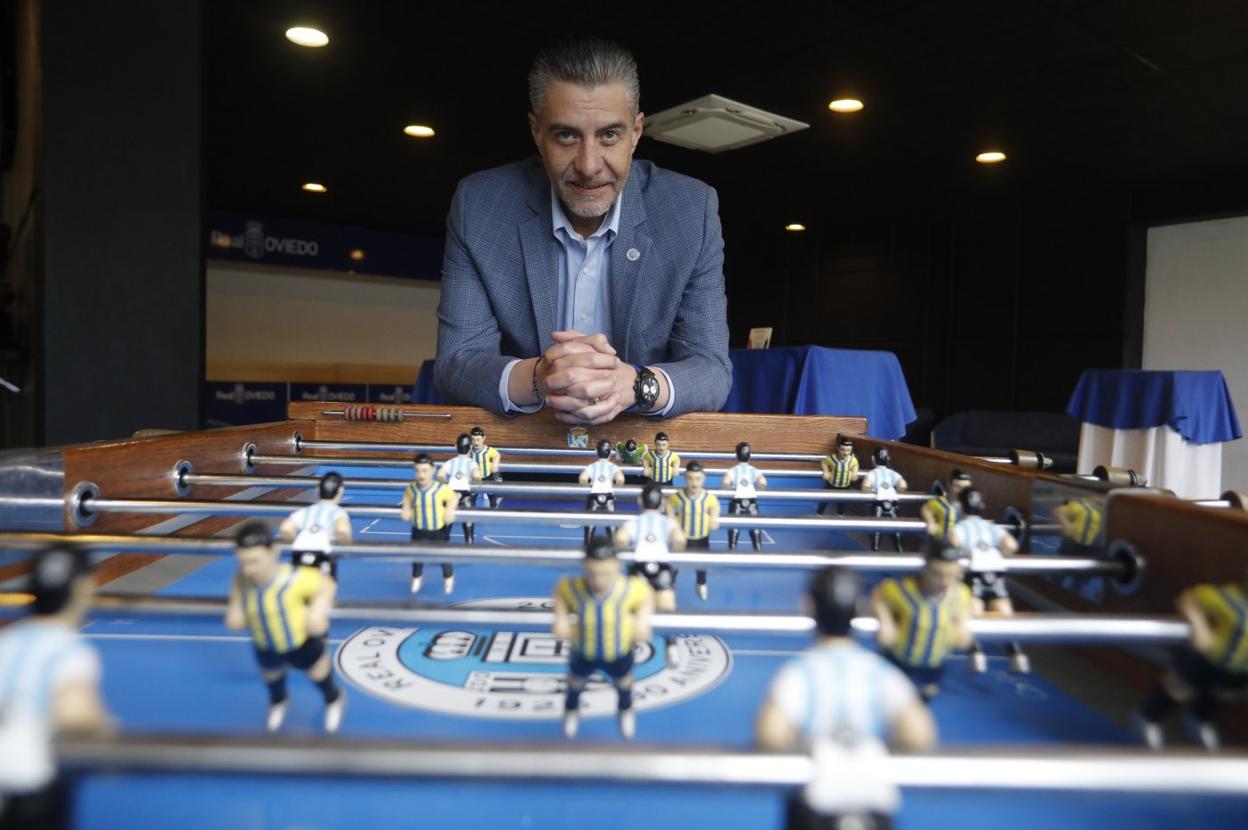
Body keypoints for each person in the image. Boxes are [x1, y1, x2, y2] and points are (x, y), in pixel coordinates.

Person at [433, 37, 731, 425]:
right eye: (567, 136)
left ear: (636, 132)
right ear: (537, 132)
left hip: (640, 456)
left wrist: (638, 385)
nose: (589, 166)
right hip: (518, 451)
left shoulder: (692, 211)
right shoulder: (480, 207)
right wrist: (540, 378)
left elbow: (711, 368)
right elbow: (457, 363)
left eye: (609, 135)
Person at [757, 568, 936, 830]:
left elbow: (770, 734)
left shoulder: (801, 672)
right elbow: (919, 734)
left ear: (809, 606)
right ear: (858, 611)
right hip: (873, 804)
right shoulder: (880, 672)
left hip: (815, 804)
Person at [0, 545, 112, 830]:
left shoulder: (7, 641)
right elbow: (77, 717)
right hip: (31, 783)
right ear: (83, 587)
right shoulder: (69, 652)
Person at [225, 522, 345, 733]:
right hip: (265, 642)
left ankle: (333, 698)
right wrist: (236, 608)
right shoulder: (242, 579)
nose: (249, 569)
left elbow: (326, 584)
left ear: (273, 553)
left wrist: (317, 610)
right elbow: (237, 595)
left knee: (318, 673)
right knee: (271, 675)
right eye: (243, 562)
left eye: (255, 561)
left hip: (300, 640)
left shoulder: (295, 578)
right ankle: (278, 701)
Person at [553, 538, 654, 740]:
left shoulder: (630, 588)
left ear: (617, 566)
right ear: (584, 567)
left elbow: (647, 596)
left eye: (605, 574)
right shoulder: (572, 587)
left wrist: (643, 621)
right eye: (593, 574)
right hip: (584, 650)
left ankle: (625, 710)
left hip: (618, 650)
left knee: (624, 684)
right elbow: (560, 593)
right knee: (574, 683)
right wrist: (561, 618)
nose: (599, 581)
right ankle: (571, 711)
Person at [1136, 572, 1248, 751]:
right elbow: (1188, 599)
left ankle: (1199, 718)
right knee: (1180, 687)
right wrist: (1200, 626)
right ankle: (1148, 718)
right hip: (1208, 658)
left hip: (1239, 669)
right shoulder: (1229, 599)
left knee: (1223, 695)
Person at [871, 541, 973, 701]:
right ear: (925, 568)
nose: (944, 581)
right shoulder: (902, 590)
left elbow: (969, 604)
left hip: (933, 667)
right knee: (890, 706)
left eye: (951, 575)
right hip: (899, 663)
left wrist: (962, 623)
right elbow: (879, 594)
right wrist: (885, 621)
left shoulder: (959, 594)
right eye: (937, 573)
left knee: (921, 703)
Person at [948, 488, 1027, 674]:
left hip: (973, 578)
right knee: (1005, 617)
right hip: (994, 577)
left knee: (971, 617)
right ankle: (1016, 655)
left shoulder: (960, 528)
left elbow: (951, 545)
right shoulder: (991, 528)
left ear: (961, 507)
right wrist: (996, 554)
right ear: (982, 506)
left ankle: (976, 654)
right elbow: (1011, 545)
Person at [615, 481, 687, 667]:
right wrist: (677, 548)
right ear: (661, 502)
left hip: (639, 568)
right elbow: (679, 540)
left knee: (632, 609)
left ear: (640, 501)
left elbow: (620, 539)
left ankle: (626, 648)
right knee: (667, 606)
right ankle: (670, 645)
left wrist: (623, 545)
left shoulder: (634, 522)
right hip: (661, 568)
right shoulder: (667, 522)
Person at [401, 453, 458, 594]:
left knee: (444, 556)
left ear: (433, 470)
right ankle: (416, 577)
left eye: (425, 470)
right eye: (418, 470)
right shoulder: (412, 488)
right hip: (419, 528)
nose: (421, 475)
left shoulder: (439, 489)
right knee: (417, 556)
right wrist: (406, 508)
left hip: (438, 529)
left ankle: (448, 577)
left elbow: (453, 497)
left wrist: (449, 510)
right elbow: (407, 497)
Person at [279, 472, 353, 581]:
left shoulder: (306, 511)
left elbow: (286, 528)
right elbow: (342, 530)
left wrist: (295, 543)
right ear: (340, 491)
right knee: (325, 591)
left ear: (318, 489)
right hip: (323, 556)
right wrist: (344, 544)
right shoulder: (338, 512)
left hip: (299, 554)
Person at [667, 460, 720, 601]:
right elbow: (669, 505)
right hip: (682, 537)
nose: (694, 483)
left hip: (701, 537)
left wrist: (713, 518)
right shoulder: (677, 497)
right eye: (690, 478)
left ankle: (701, 584)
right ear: (685, 479)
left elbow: (715, 506)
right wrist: (672, 521)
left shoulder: (709, 498)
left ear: (703, 478)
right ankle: (670, 585)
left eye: (697, 479)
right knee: (674, 563)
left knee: (701, 563)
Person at [438, 433, 482, 544]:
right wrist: (477, 482)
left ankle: (443, 541)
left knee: (446, 519)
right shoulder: (471, 462)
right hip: (465, 494)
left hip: (450, 493)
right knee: (468, 520)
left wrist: (443, 483)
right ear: (470, 447)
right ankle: (469, 541)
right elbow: (477, 475)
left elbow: (440, 475)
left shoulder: (450, 462)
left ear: (455, 446)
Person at [861, 447, 908, 552]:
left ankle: (875, 550)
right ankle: (899, 551)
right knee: (896, 531)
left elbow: (865, 486)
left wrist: (871, 492)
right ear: (888, 459)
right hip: (893, 504)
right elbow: (903, 485)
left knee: (876, 530)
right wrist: (895, 491)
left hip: (878, 504)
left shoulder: (872, 473)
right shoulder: (892, 473)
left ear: (873, 459)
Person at [723, 441, 767, 551]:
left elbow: (725, 483)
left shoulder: (733, 470)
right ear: (749, 456)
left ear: (736, 455)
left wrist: (731, 489)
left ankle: (732, 549)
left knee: (734, 528)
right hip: (750, 500)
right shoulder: (753, 470)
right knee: (754, 528)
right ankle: (757, 548)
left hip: (737, 500)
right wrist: (756, 488)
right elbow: (763, 482)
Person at [580, 439, 625, 544]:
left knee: (590, 525)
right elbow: (620, 479)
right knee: (611, 525)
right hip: (608, 496)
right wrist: (616, 488)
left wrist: (587, 487)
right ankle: (613, 547)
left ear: (597, 452)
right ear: (610, 453)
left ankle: (588, 546)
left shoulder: (592, 466)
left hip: (594, 496)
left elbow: (583, 478)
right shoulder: (613, 466)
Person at [920, 469, 971, 541]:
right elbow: (926, 509)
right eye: (957, 487)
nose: (961, 491)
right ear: (949, 485)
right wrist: (930, 522)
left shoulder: (970, 505)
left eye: (965, 488)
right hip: (942, 544)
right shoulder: (940, 502)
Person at [817, 437, 859, 516]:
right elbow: (824, 462)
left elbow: (855, 465)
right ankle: (819, 513)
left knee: (842, 501)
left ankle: (840, 514)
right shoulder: (832, 458)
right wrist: (826, 471)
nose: (845, 453)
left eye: (848, 450)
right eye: (843, 450)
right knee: (824, 499)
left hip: (845, 486)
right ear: (838, 448)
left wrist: (854, 473)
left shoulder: (852, 460)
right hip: (831, 484)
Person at [468, 426, 504, 509]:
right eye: (473, 440)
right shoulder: (469, 449)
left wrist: (494, 464)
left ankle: (493, 508)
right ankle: (471, 511)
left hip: (487, 475)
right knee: (473, 495)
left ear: (483, 438)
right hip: (475, 477)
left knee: (491, 493)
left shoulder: (488, 450)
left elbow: (497, 455)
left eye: (478, 440)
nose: (476, 442)